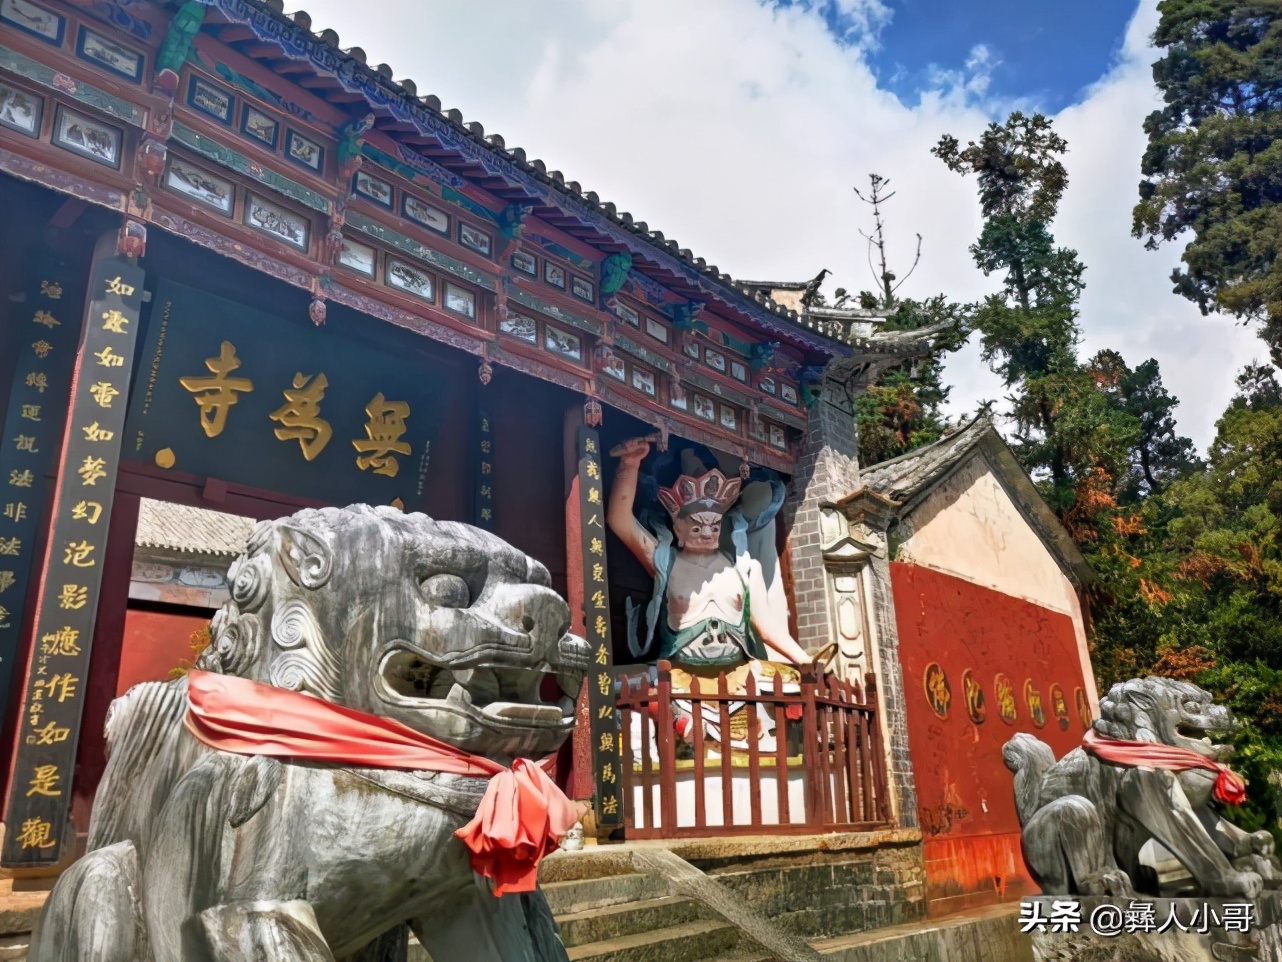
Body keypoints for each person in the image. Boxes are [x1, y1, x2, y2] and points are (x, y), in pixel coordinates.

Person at [607, 437, 815, 668]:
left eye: (714, 526)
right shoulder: (665, 560)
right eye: (697, 527)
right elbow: (620, 521)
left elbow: (766, 627)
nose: (707, 533)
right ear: (678, 528)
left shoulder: (745, 569)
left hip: (739, 673)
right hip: (680, 672)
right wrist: (630, 464)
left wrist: (803, 660)